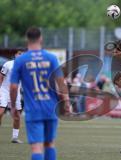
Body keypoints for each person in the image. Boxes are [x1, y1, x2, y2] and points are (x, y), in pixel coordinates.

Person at [10, 27, 70, 160]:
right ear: (41, 38)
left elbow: (14, 87)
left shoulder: (20, 60)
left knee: (37, 147)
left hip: (33, 109)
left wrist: (13, 106)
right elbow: (61, 83)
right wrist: (66, 101)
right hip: (50, 108)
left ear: (27, 39)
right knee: (49, 144)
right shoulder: (51, 58)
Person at [0, 50, 23, 143]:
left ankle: (15, 138)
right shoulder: (8, 64)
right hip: (4, 91)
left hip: (16, 94)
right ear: (15, 55)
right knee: (0, 113)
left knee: (17, 116)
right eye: (19, 54)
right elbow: (1, 76)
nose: (20, 56)